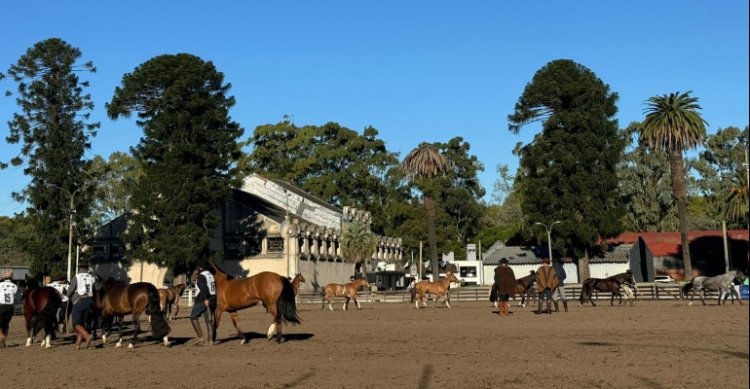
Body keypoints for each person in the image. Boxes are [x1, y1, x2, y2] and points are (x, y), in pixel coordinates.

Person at [67, 263, 96, 349]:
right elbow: (97, 288)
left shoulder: (77, 276)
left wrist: (69, 295)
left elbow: (70, 290)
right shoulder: (91, 277)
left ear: (79, 268)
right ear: (87, 268)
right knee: (82, 323)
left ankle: (87, 336)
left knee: (76, 324)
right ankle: (78, 344)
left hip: (79, 301)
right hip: (89, 301)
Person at [190, 261, 217, 345]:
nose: (196, 269)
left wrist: (205, 299)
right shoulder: (210, 274)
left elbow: (203, 288)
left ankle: (201, 337)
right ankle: (210, 341)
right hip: (212, 298)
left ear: (200, 267)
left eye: (197, 267)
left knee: (193, 317)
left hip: (202, 299)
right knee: (208, 320)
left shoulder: (202, 275)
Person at [0, 271, 18, 348]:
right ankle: (3, 343)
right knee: (6, 324)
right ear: (11, 278)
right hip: (10, 307)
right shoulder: (14, 286)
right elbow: (17, 297)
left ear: (4, 278)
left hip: (1, 306)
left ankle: (1, 335)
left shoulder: (0, 285)